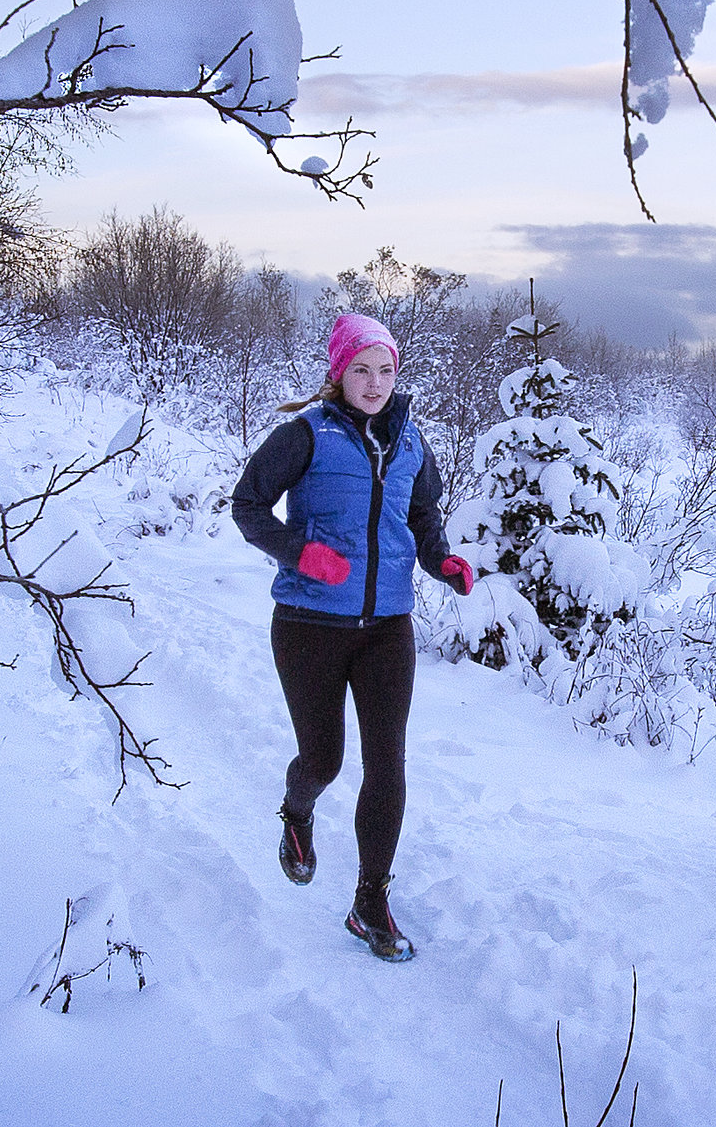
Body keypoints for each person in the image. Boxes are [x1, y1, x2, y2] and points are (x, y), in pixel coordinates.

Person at [230, 313, 473, 962]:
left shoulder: (413, 443)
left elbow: (421, 518)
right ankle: (297, 811)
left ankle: (370, 901)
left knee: (387, 762)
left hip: (387, 628)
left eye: (386, 369)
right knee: (325, 761)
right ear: (339, 372)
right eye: (361, 369)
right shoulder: (306, 434)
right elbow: (247, 506)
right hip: (309, 625)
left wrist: (441, 560)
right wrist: (300, 552)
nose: (374, 382)